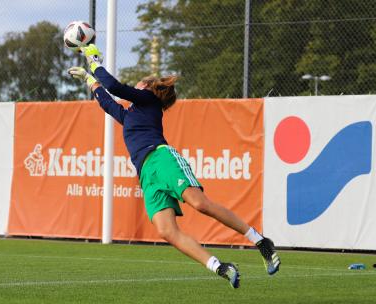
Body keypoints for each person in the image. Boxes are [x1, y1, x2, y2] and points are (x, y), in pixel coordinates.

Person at [68, 44, 280, 288]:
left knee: (200, 203)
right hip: (147, 173)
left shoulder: (149, 100)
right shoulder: (130, 115)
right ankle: (220, 267)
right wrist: (89, 79)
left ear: (146, 87)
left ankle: (260, 241)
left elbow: (115, 87)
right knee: (166, 230)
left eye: (138, 84)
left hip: (162, 158)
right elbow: (108, 102)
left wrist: (93, 61)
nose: (135, 86)